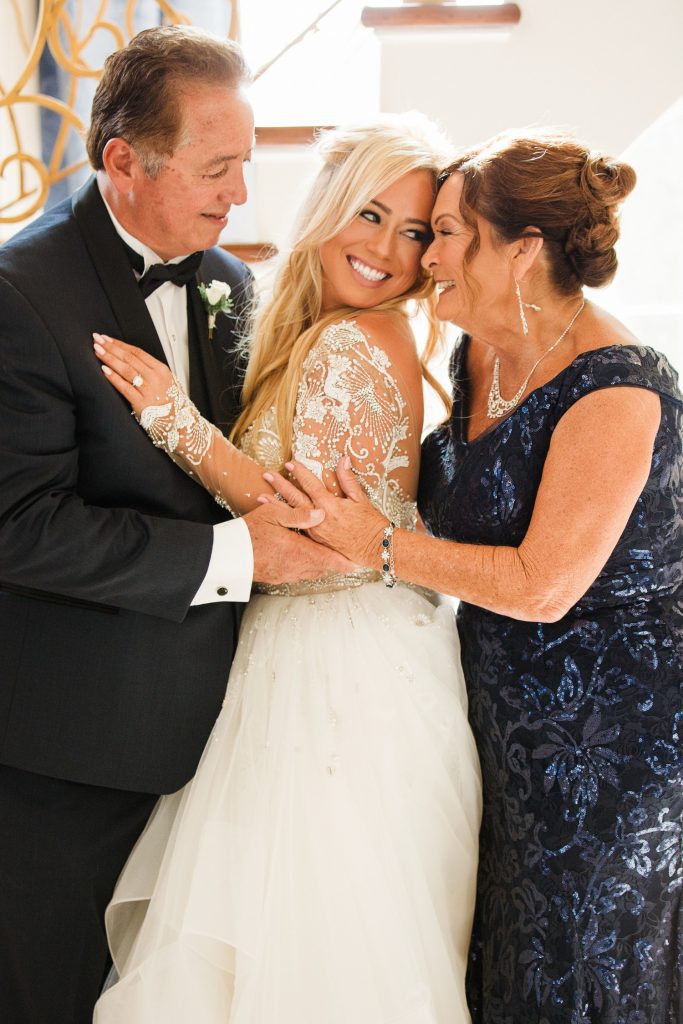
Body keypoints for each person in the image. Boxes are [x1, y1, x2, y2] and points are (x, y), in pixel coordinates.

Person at [266, 130, 682, 1023]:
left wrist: (374, 544)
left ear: (521, 250)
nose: (426, 255)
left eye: (446, 232)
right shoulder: (474, 355)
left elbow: (541, 584)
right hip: (496, 710)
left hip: (606, 742)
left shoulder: (615, 388)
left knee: (579, 965)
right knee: (494, 955)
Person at [91, 116, 482, 1023]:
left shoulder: (356, 341)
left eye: (415, 232)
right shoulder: (324, 329)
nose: (387, 248)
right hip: (315, 649)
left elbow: (309, 529)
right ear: (328, 207)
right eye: (370, 215)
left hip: (334, 671)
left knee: (315, 943)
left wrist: (172, 419)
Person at [0, 26, 344, 1024]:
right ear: (122, 160)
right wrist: (237, 554)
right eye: (217, 167)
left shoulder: (232, 288)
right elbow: (19, 526)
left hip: (219, 745)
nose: (241, 195)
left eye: (248, 165)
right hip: (71, 751)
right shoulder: (21, 295)